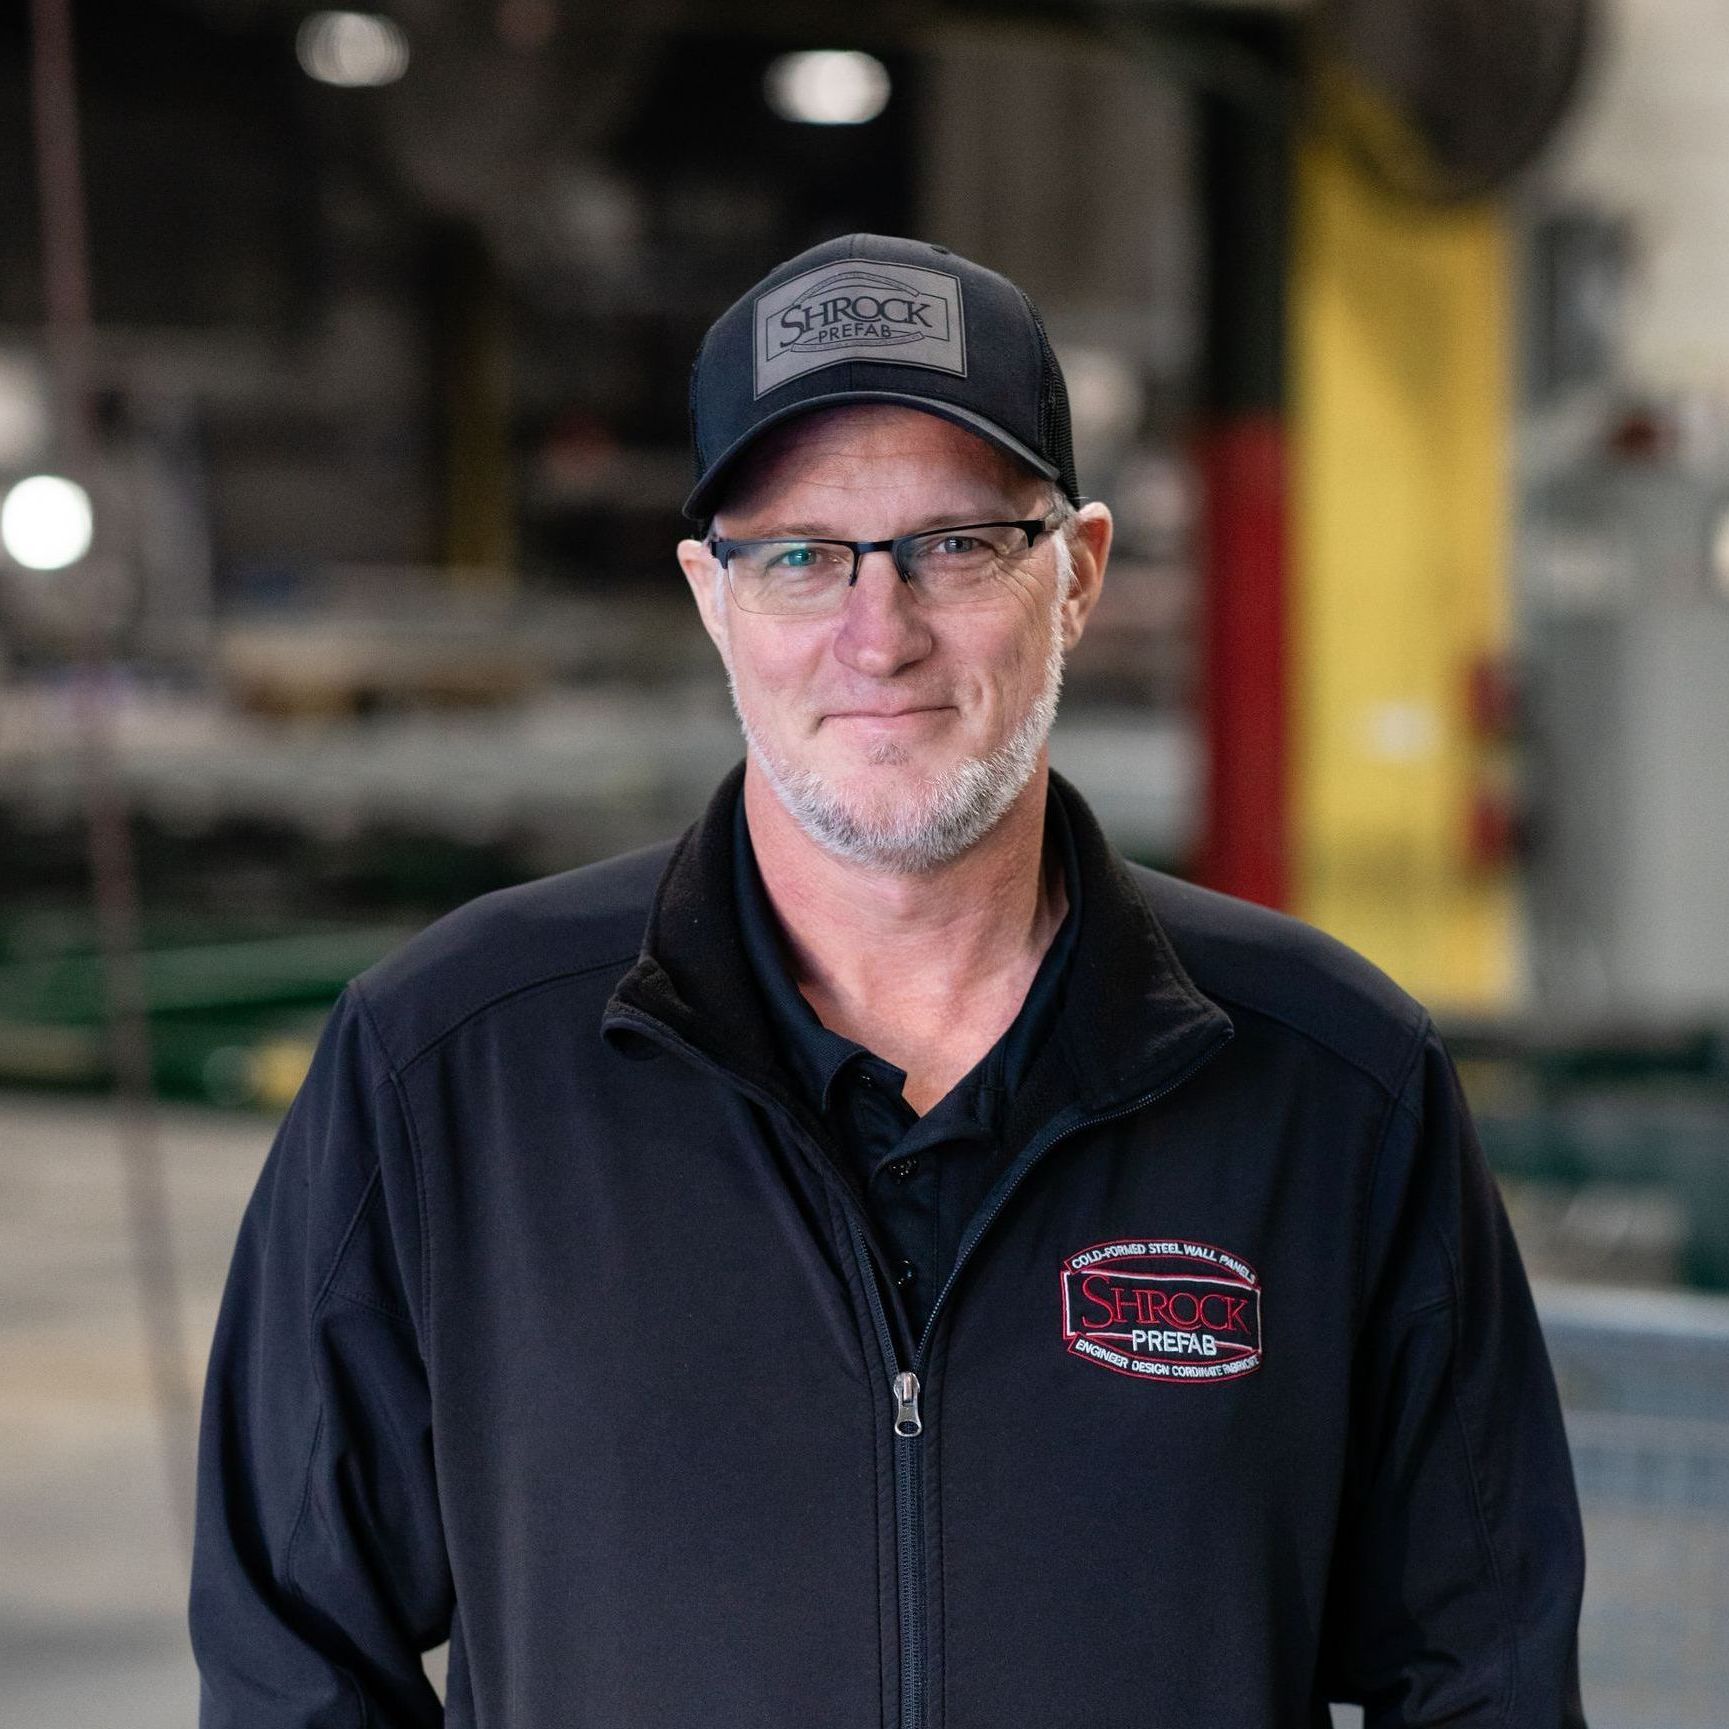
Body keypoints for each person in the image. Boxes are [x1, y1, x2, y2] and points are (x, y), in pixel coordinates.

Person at [189, 234, 1587, 1727]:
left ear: (1078, 575)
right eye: (798, 555)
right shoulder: (447, 1070)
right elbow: (293, 1665)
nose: (879, 630)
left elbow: (1482, 1673)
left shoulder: (1330, 1083)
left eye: (955, 544)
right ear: (711, 595)